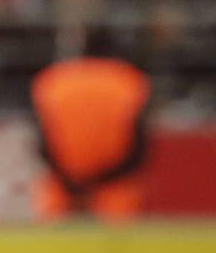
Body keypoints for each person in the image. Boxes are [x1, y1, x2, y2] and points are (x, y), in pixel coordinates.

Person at [31, 40, 152, 219]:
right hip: (114, 193)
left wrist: (71, 181)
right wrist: (103, 180)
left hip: (62, 190)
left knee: (54, 243)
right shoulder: (129, 81)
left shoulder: (53, 81)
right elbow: (139, 144)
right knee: (117, 244)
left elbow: (42, 141)